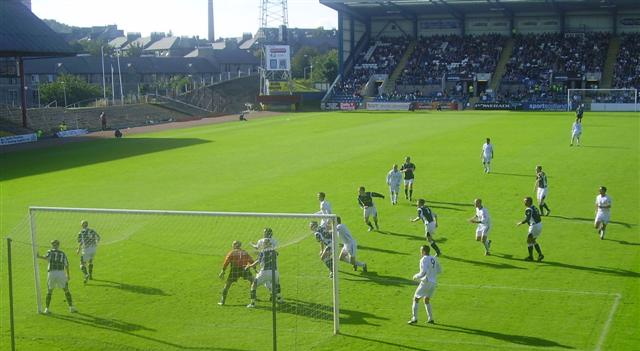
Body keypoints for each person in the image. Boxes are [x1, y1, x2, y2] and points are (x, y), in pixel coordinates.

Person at [37, 240, 77, 314]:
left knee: (49, 291)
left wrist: (38, 256)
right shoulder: (62, 253)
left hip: (52, 273)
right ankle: (71, 307)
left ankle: (47, 309)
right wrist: (68, 275)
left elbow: (46, 257)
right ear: (58, 245)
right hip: (61, 273)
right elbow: (67, 265)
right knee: (66, 290)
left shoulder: (50, 251)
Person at [408, 245, 442, 325]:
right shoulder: (434, 258)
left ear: (423, 251)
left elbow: (422, 273)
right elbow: (439, 270)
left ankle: (414, 319)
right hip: (433, 283)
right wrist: (432, 273)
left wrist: (415, 276)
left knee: (416, 298)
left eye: (421, 251)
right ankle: (431, 319)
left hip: (426, 281)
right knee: (426, 300)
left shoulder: (423, 260)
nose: (420, 252)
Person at [246, 240, 282, 308]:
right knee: (277, 284)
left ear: (265, 244)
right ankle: (279, 298)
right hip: (275, 272)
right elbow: (276, 254)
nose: (262, 245)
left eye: (263, 244)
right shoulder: (274, 251)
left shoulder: (263, 251)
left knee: (253, 286)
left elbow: (258, 261)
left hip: (264, 272)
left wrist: (250, 266)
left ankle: (252, 303)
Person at [218, 241, 254, 305]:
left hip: (234, 270)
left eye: (233, 244)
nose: (232, 245)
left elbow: (226, 262)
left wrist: (223, 271)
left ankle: (222, 301)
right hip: (244, 269)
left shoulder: (232, 252)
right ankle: (254, 297)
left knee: (227, 285)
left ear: (235, 245)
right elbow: (251, 260)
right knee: (253, 281)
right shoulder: (244, 252)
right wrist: (254, 268)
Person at [516, 197, 544, 261]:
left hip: (534, 226)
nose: (524, 202)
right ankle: (540, 254)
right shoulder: (534, 207)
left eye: (525, 201)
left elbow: (528, 219)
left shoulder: (528, 209)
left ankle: (531, 257)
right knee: (533, 240)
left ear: (529, 202)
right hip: (539, 225)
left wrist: (521, 223)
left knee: (529, 241)